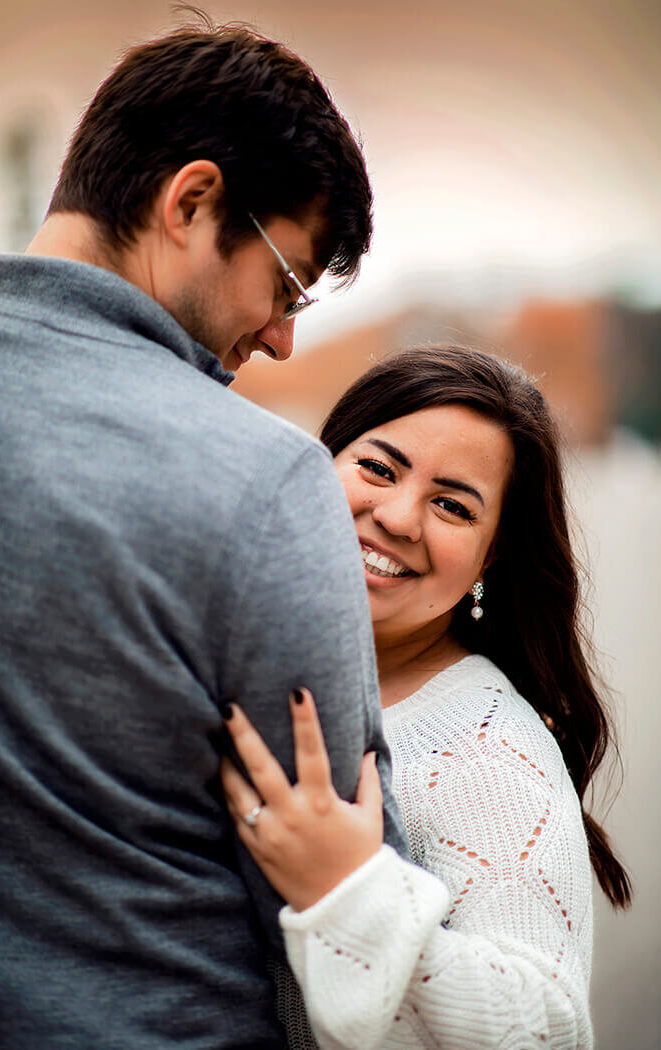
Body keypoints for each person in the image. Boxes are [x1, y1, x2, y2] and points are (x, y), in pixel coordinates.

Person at [0, 17, 408, 1049]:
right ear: (192, 201)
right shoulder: (263, 478)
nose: (284, 336)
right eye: (287, 282)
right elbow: (339, 901)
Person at [222, 346, 632, 1050]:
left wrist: (344, 891)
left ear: (491, 555)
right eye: (378, 468)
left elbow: (545, 1029)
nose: (400, 517)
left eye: (452, 504)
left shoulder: (489, 753)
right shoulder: (240, 636)